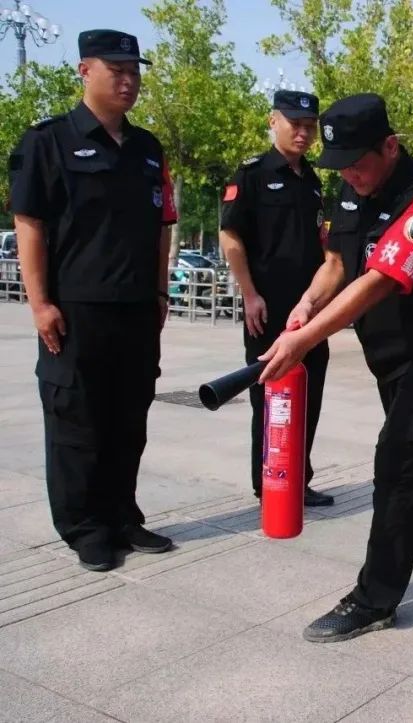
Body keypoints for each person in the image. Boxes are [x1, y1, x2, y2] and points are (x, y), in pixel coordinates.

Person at [257, 93, 413, 642]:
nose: (350, 175)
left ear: (390, 146)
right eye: (340, 166)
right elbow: (336, 263)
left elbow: (381, 279)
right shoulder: (351, 188)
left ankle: (374, 598)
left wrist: (304, 339)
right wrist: (307, 304)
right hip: (389, 351)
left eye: (358, 163)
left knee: (401, 458)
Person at [8, 29, 178, 572]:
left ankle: (123, 516)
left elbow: (161, 226)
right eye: (117, 71)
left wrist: (159, 290)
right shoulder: (48, 141)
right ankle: (85, 527)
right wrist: (40, 303)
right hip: (76, 310)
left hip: (135, 309)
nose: (129, 82)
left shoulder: (147, 148)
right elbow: (29, 225)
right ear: (85, 71)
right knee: (76, 422)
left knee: (128, 419)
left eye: (135, 72)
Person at [219, 89, 334, 507]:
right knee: (268, 396)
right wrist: (249, 294)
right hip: (267, 308)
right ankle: (268, 480)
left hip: (309, 311)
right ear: (274, 122)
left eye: (309, 127)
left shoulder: (313, 181)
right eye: (295, 125)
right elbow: (230, 237)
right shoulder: (251, 174)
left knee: (310, 391)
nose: (303, 134)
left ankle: (298, 477)